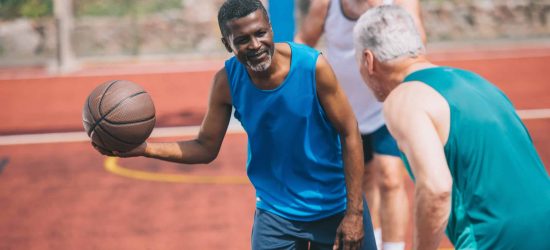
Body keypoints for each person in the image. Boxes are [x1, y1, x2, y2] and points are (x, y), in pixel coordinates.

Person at [94, 0, 378, 249]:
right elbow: (205, 147)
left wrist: (353, 213)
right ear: (227, 44)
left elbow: (350, 132)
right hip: (277, 212)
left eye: (260, 33)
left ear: (271, 29)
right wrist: (144, 149)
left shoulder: (312, 67)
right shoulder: (226, 83)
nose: (255, 45)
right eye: (242, 40)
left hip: (334, 204)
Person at [353, 5, 550, 250]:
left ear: (368, 60)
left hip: (493, 235)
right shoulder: (477, 82)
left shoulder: (403, 98)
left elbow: (437, 189)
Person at [295, 1, 425, 249]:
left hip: (387, 104)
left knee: (390, 178)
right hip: (346, 112)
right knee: (361, 181)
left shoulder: (399, 3)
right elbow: (303, 41)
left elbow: (418, 45)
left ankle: (393, 246)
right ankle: (372, 242)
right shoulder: (326, 5)